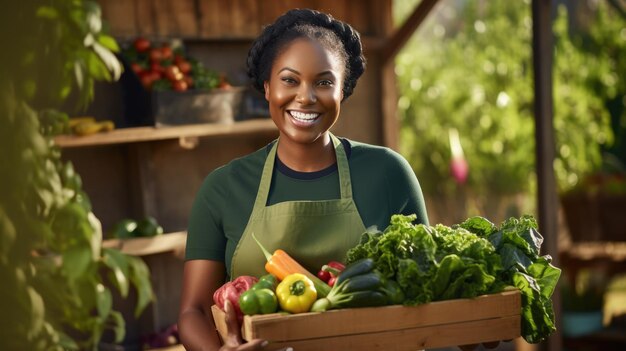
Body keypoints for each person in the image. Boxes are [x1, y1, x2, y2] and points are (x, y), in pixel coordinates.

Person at [178, 8, 429, 351]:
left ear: (343, 91)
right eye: (290, 80)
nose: (306, 97)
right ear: (267, 87)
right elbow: (191, 313)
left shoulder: (388, 173)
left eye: (324, 82)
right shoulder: (223, 188)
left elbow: (426, 293)